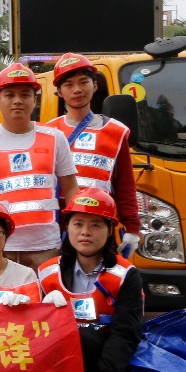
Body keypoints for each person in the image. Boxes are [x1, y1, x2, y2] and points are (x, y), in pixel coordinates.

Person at [36, 188, 143, 372]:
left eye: (95, 225)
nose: (85, 232)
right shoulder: (46, 273)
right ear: (67, 228)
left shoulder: (126, 275)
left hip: (112, 362)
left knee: (89, 334)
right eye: (78, 224)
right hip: (60, 359)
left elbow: (126, 333)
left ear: (110, 230)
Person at [0, 64, 80, 271]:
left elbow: (71, 188)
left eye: (25, 95)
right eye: (9, 95)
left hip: (46, 246)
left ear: (35, 100)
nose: (17, 100)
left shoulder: (55, 138)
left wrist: (74, 234)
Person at [48, 52, 142, 257]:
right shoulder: (48, 132)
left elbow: (125, 185)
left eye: (83, 82)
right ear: (59, 92)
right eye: (69, 85)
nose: (77, 90)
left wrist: (132, 228)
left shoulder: (115, 131)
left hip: (99, 226)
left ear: (95, 86)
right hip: (57, 228)